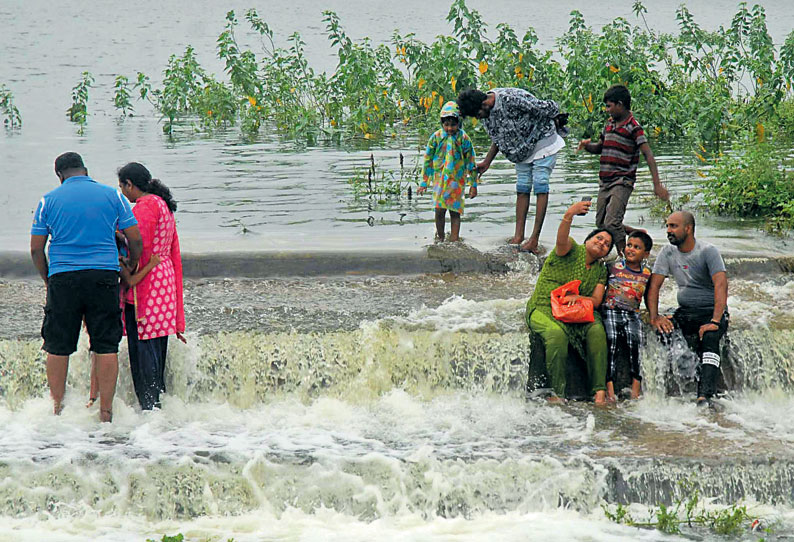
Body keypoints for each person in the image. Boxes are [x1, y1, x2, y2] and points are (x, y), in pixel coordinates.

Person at [30, 152, 142, 422]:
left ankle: (56, 410)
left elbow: (36, 249)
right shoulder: (112, 196)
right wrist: (130, 265)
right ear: (86, 170)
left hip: (63, 277)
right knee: (106, 345)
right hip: (103, 276)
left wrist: (49, 279)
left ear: (59, 176)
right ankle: (106, 413)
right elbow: (135, 239)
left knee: (57, 345)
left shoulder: (48, 200)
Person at [457, 87, 568, 253]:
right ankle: (518, 237)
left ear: (484, 104)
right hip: (521, 151)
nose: (478, 118)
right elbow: (498, 137)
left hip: (543, 140)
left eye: (477, 114)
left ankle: (534, 240)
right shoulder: (487, 116)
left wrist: (557, 119)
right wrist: (487, 162)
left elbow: (546, 108)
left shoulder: (511, 99)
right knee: (522, 189)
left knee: (540, 184)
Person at [525, 200, 613, 403]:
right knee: (556, 335)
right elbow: (562, 238)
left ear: (607, 253)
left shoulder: (600, 271)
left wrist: (578, 298)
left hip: (577, 313)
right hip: (544, 307)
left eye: (606, 244)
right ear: (588, 240)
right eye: (599, 238)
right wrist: (569, 214)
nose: (601, 244)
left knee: (597, 330)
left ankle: (599, 391)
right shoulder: (570, 250)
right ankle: (558, 393)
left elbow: (596, 301)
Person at [117, 162, 185, 410]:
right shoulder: (163, 204)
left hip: (147, 286)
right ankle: (159, 408)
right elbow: (170, 247)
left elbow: (140, 247)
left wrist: (127, 268)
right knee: (157, 346)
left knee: (143, 348)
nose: (124, 194)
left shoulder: (145, 207)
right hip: (164, 280)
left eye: (123, 188)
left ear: (130, 185)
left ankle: (148, 408)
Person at [646, 211, 729, 406]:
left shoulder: (708, 251)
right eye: (667, 226)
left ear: (688, 229)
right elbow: (654, 286)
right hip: (685, 311)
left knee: (709, 339)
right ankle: (672, 392)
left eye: (673, 226)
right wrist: (655, 317)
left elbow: (721, 284)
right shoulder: (667, 252)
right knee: (663, 332)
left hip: (711, 311)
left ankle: (704, 396)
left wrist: (715, 321)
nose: (668, 231)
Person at [577, 85, 669, 255]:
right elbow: (601, 148)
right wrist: (587, 147)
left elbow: (648, 154)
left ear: (620, 104)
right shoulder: (609, 124)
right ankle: (636, 233)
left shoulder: (633, 127)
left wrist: (657, 185)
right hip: (605, 181)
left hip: (622, 181)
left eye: (609, 106)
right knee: (601, 223)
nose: (607, 110)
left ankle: (623, 257)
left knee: (611, 223)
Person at [86, 254, 161, 408]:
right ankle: (99, 401)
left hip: (93, 304)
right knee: (104, 352)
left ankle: (93, 398)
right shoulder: (116, 261)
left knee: (96, 352)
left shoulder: (100, 260)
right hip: (111, 310)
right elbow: (131, 280)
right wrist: (151, 264)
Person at [601, 231, 653, 401]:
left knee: (636, 343)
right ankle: (610, 389)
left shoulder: (647, 273)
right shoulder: (613, 266)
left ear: (646, 254)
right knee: (611, 342)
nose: (631, 249)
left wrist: (655, 315)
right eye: (629, 245)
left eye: (637, 247)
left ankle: (635, 388)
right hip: (611, 310)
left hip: (633, 314)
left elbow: (649, 295)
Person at [418, 101, 478, 242]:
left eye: (453, 124)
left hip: (456, 180)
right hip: (440, 179)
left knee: (455, 211)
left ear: (459, 123)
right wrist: (424, 182)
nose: (450, 128)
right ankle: (440, 238)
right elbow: (428, 159)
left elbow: (471, 162)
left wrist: (473, 185)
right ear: (442, 123)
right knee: (439, 209)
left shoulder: (464, 139)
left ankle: (454, 240)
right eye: (447, 125)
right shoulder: (436, 138)